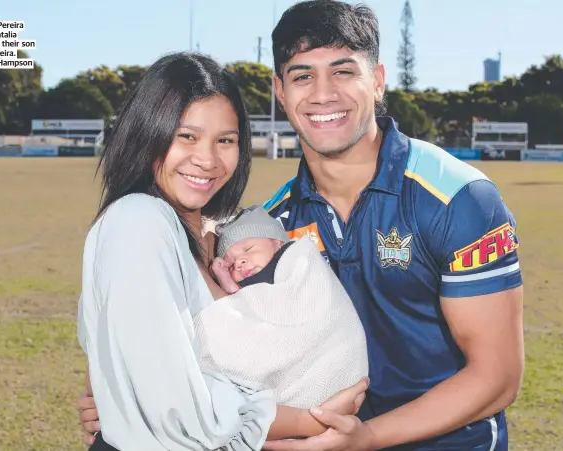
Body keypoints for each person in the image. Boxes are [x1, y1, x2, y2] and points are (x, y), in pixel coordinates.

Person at [79, 2, 525, 449]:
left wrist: (367, 437)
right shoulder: (270, 224)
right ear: (280, 90)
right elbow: (218, 349)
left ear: (378, 80)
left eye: (344, 71)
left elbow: (497, 375)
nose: (323, 94)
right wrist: (132, 393)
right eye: (302, 75)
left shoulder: (458, 198)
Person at [76, 51, 368, 451]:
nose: (207, 159)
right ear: (148, 132)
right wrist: (311, 420)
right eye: (186, 136)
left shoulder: (224, 237)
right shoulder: (137, 220)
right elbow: (176, 407)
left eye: (225, 140)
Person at [196, 204, 369, 410]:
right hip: (299, 382)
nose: (240, 262)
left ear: (277, 242)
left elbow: (243, 303)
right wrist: (225, 277)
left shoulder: (296, 258)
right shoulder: (253, 283)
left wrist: (226, 280)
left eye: (248, 249)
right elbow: (242, 313)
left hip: (334, 356)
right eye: (231, 264)